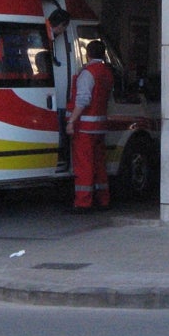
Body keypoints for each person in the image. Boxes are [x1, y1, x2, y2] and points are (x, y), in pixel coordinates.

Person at [66, 39, 112, 213]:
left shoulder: (88, 73)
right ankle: (103, 199)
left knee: (84, 165)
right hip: (99, 126)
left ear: (88, 53)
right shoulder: (106, 73)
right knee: (99, 165)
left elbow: (83, 100)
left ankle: (83, 203)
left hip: (84, 127)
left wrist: (71, 121)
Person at [47, 8, 73, 170]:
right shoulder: (46, 35)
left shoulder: (47, 33)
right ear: (61, 25)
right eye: (64, 28)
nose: (63, 31)